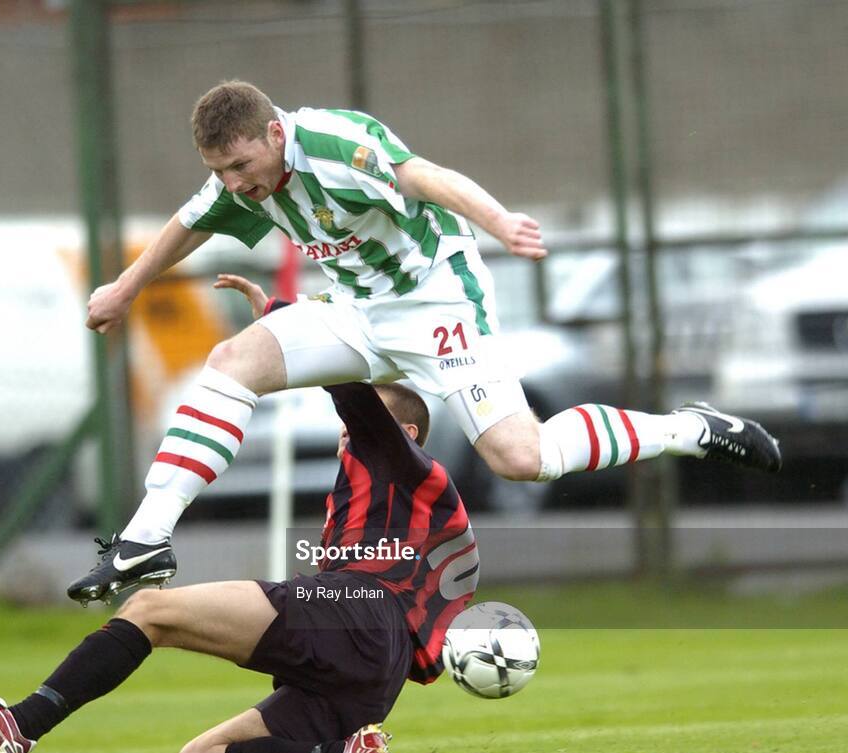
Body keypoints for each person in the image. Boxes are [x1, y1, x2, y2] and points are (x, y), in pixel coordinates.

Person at [66, 79, 781, 604]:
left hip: (438, 302)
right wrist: (126, 289)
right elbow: (186, 224)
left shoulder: (337, 143)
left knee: (519, 458)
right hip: (355, 310)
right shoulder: (239, 181)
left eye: (241, 168)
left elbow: (427, 178)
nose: (234, 185)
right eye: (220, 172)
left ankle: (689, 430)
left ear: (275, 135)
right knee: (231, 363)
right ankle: (145, 540)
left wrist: (500, 222)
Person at [0, 291, 478, 753]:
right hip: (376, 676)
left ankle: (22, 722)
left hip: (357, 611)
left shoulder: (406, 465)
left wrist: (287, 320)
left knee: (148, 609)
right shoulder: (406, 504)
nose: (346, 437)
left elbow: (349, 387)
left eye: (356, 431)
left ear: (406, 434)